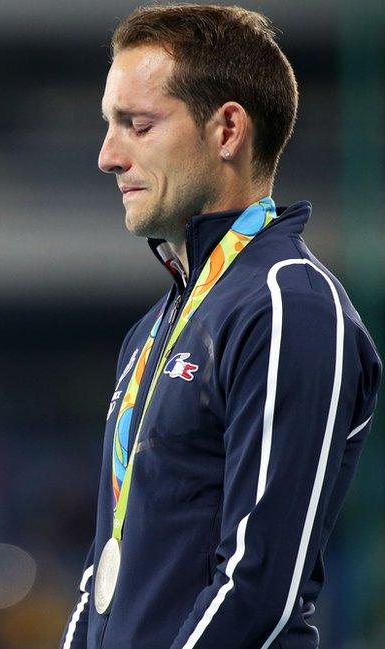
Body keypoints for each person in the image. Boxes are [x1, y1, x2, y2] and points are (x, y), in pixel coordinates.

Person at [60, 5, 381, 649]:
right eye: (109, 126)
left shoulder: (289, 303)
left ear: (227, 128)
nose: (107, 156)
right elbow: (105, 569)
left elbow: (260, 583)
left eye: (137, 125)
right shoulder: (157, 328)